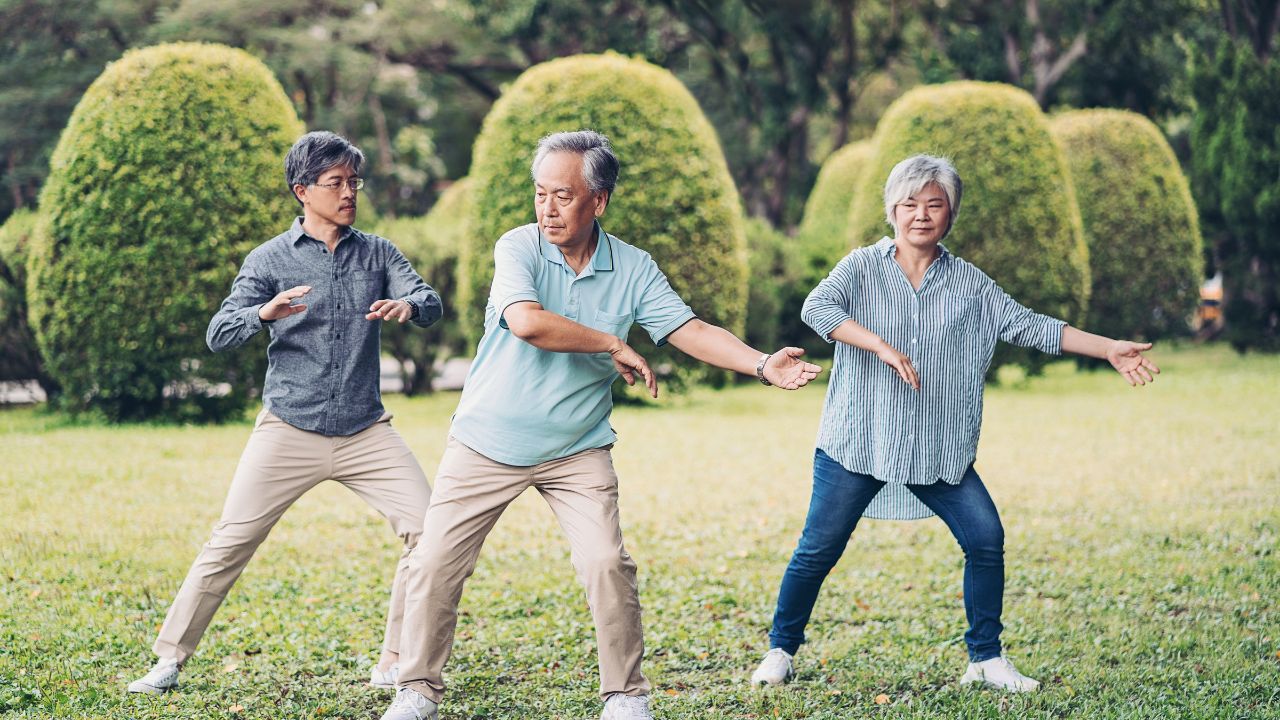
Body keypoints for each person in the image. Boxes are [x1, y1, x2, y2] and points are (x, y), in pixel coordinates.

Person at [378, 130, 822, 720]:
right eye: (540, 194)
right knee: (434, 562)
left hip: (576, 449)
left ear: (599, 201)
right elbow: (527, 323)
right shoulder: (519, 247)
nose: (547, 209)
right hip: (487, 440)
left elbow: (689, 330)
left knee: (606, 563)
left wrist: (762, 364)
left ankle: (624, 694)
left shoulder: (633, 267)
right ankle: (417, 688)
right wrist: (611, 340)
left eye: (562, 196)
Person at [749, 154, 1159, 693]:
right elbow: (817, 308)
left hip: (936, 446)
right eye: (909, 204)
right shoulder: (861, 267)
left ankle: (985, 659)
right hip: (860, 438)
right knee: (818, 549)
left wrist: (1108, 349)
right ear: (891, 211)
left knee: (986, 538)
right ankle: (781, 649)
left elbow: (1033, 326)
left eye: (934, 204)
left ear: (950, 214)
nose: (921, 214)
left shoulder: (969, 285)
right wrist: (882, 346)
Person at [127, 131, 443, 694]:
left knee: (430, 533)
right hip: (288, 429)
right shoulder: (269, 259)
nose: (349, 193)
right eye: (335, 183)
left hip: (366, 430)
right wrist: (263, 312)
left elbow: (429, 300)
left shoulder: (378, 253)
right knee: (229, 541)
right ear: (302, 190)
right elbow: (219, 332)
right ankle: (169, 659)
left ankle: (395, 659)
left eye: (354, 182)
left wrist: (409, 304)